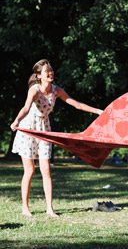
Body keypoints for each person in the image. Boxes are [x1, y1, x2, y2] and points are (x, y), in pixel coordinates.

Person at [10, 59, 103, 217]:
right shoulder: (34, 90)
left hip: (45, 130)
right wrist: (16, 120)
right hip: (28, 130)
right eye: (47, 71)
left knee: (46, 170)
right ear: (39, 75)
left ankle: (50, 209)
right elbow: (26, 107)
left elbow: (77, 104)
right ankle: (25, 208)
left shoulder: (56, 90)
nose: (51, 73)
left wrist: (99, 112)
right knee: (30, 171)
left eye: (51, 70)